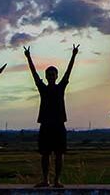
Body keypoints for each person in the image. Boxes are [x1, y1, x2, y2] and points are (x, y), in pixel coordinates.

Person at [24, 44, 79, 188]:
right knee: (45, 155)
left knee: (59, 154)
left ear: (56, 76)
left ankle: (57, 181)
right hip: (46, 125)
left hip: (59, 125)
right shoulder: (43, 88)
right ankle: (46, 180)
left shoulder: (61, 87)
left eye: (53, 74)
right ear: (46, 76)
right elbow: (34, 74)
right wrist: (29, 57)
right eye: (49, 75)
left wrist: (73, 55)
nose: (51, 76)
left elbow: (68, 72)